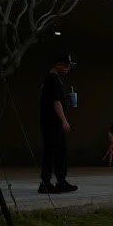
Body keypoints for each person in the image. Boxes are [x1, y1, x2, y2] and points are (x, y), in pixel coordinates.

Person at [38, 53, 76, 193]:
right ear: (58, 64)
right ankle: (45, 182)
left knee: (61, 151)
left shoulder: (55, 80)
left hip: (54, 123)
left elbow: (56, 98)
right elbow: (55, 101)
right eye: (66, 66)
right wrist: (64, 121)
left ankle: (61, 181)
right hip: (51, 122)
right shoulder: (52, 79)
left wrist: (65, 97)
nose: (68, 69)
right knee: (51, 151)